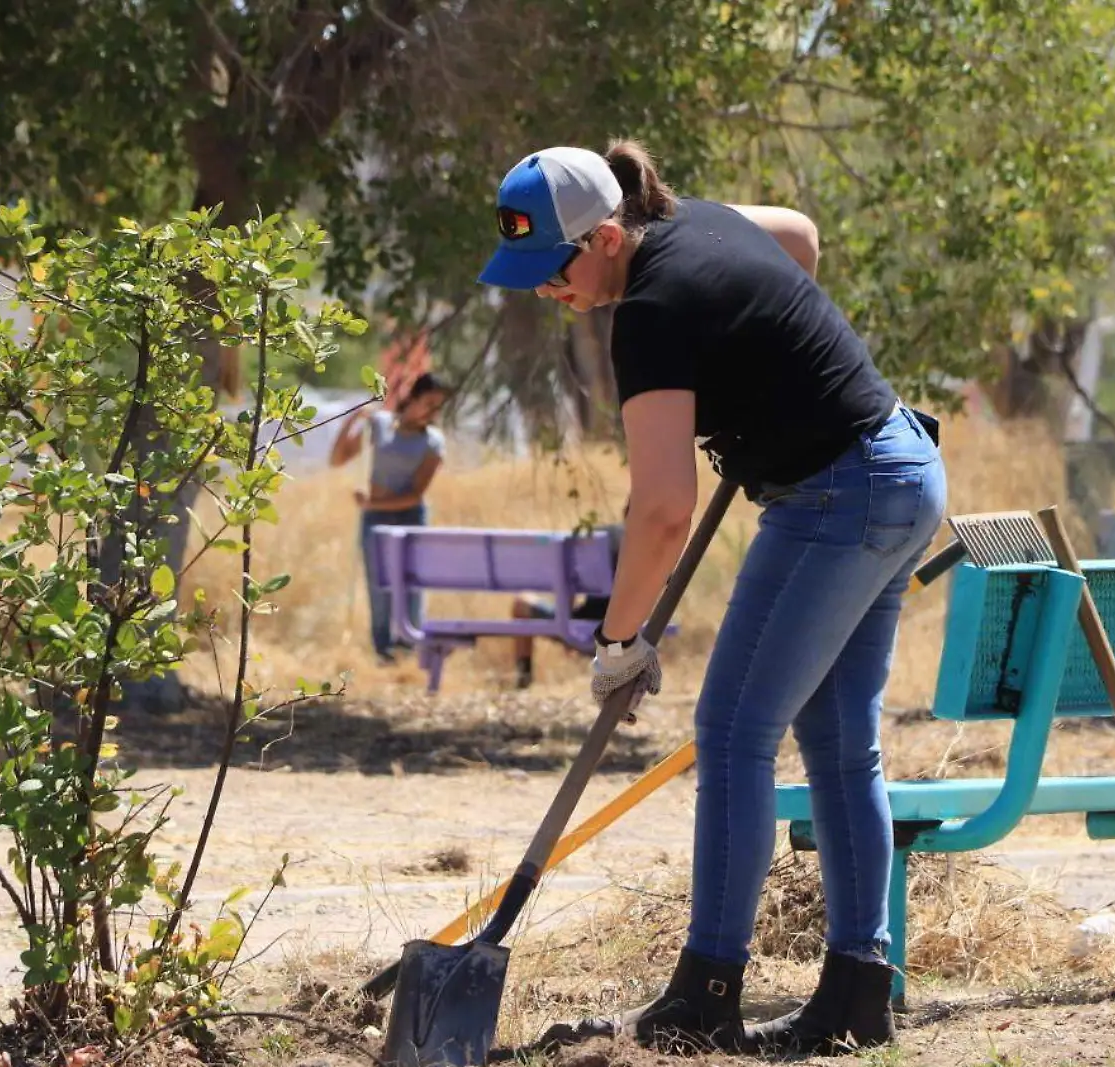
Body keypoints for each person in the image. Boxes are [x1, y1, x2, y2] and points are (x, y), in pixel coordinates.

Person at [477, 142, 946, 1055]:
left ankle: (706, 994)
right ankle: (857, 991)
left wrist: (618, 641)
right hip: (903, 469)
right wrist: (755, 351)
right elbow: (800, 238)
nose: (546, 291)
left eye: (555, 269)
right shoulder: (697, 221)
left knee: (734, 733)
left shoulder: (650, 310)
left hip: (836, 496)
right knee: (841, 743)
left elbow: (660, 513)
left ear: (608, 236)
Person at [330, 372, 452, 663]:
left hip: (410, 516)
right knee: (379, 585)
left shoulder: (434, 443)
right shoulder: (380, 425)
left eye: (438, 407)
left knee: (412, 584)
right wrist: (353, 420)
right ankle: (383, 652)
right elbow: (337, 459)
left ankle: (409, 647)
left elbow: (415, 494)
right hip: (376, 518)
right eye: (429, 403)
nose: (433, 412)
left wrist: (372, 504)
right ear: (413, 398)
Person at [509, 511, 623, 689]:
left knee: (521, 602)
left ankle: (523, 677)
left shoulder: (595, 536)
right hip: (622, 637)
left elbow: (569, 582)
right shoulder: (654, 547)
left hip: (582, 629)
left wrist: (566, 625)